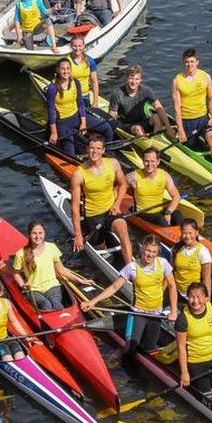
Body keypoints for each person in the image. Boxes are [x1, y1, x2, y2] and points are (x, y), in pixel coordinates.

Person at [81, 235, 173, 354]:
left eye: (154, 252)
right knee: (130, 349)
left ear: (158, 252)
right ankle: (118, 355)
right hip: (138, 313)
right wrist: (92, 302)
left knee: (150, 350)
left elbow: (172, 285)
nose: (150, 254)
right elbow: (114, 287)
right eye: (148, 250)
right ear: (142, 249)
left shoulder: (163, 263)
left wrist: (174, 312)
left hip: (156, 315)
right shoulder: (132, 268)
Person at [70, 133, 132, 264]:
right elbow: (75, 207)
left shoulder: (113, 164)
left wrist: (117, 204)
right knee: (100, 247)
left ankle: (130, 268)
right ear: (87, 149)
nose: (95, 151)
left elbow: (123, 184)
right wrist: (78, 234)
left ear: (103, 150)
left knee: (123, 231)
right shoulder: (78, 174)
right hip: (93, 216)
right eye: (92, 148)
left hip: (111, 211)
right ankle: (104, 256)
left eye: (98, 148)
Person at [12, 220, 93, 310]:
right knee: (46, 305)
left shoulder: (51, 247)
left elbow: (61, 269)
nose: (37, 236)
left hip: (52, 286)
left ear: (44, 233)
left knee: (56, 304)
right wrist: (23, 285)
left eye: (40, 233)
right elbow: (16, 273)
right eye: (34, 233)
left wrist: (80, 280)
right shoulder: (21, 253)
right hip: (34, 289)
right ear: (29, 234)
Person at [45, 59, 111, 157]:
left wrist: (83, 123)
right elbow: (51, 112)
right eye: (62, 69)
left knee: (107, 128)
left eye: (68, 68)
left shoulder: (75, 83)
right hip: (62, 122)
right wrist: (54, 133)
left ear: (71, 70)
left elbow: (80, 104)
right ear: (58, 70)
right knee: (70, 152)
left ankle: (107, 152)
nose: (65, 71)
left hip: (76, 116)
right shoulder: (52, 88)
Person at [172, 49, 212, 167]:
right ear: (183, 63)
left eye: (192, 61)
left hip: (203, 120)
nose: (189, 65)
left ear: (197, 62)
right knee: (191, 148)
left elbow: (211, 99)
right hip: (187, 121)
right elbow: (176, 108)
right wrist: (180, 129)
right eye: (186, 62)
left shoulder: (206, 77)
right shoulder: (177, 80)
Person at [109, 65, 171, 136]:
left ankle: (156, 137)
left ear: (141, 80)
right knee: (138, 128)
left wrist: (169, 128)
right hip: (126, 124)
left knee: (157, 117)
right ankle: (145, 143)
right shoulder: (117, 94)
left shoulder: (146, 91)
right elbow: (112, 116)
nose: (134, 82)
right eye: (131, 78)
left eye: (137, 79)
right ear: (126, 78)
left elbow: (159, 107)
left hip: (142, 121)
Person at [127, 147, 182, 226]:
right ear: (143, 161)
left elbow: (176, 196)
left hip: (159, 211)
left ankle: (185, 234)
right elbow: (120, 187)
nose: (149, 164)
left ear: (158, 162)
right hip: (143, 213)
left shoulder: (165, 175)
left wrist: (168, 212)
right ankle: (171, 234)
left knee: (177, 214)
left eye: (153, 161)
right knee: (160, 219)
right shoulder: (133, 176)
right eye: (146, 161)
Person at [170, 219, 212, 300]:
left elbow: (207, 279)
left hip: (195, 296)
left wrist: (207, 299)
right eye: (184, 233)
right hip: (177, 292)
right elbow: (171, 271)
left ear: (196, 233)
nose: (187, 236)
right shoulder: (176, 249)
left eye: (190, 233)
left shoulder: (203, 252)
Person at [66, 35, 99, 106]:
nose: (77, 48)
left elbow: (94, 82)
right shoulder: (66, 61)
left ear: (83, 46)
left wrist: (95, 101)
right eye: (75, 46)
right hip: (70, 96)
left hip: (85, 96)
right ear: (71, 46)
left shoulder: (90, 61)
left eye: (79, 46)